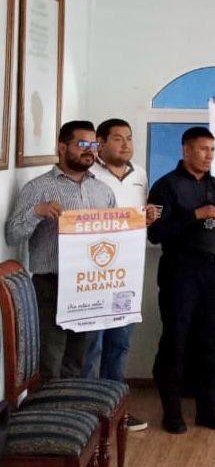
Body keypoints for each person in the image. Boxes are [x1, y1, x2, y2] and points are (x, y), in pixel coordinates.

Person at [5, 120, 116, 380]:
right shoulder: (38, 188)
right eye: (82, 144)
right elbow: (12, 235)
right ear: (62, 147)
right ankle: (49, 406)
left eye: (94, 145)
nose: (90, 150)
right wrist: (37, 212)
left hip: (90, 284)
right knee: (50, 359)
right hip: (50, 284)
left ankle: (75, 405)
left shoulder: (103, 191)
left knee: (82, 358)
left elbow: (113, 238)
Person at [148, 126, 215, 434]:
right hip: (178, 269)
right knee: (176, 340)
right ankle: (172, 412)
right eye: (203, 149)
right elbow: (156, 233)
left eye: (212, 149)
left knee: (210, 342)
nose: (209, 155)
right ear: (186, 150)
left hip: (210, 269)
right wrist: (196, 214)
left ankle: (208, 410)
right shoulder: (166, 186)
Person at [81, 118, 159, 432]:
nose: (126, 144)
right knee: (91, 345)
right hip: (93, 273)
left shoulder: (139, 174)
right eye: (117, 139)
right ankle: (87, 416)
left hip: (128, 272)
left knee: (120, 343)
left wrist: (149, 216)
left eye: (129, 138)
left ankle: (116, 411)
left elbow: (139, 218)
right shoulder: (88, 174)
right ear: (100, 143)